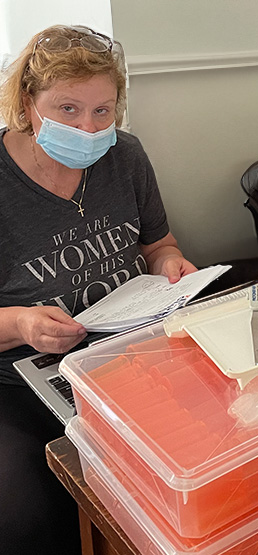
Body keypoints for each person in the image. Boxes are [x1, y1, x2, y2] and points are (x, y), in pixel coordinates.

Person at [0, 25, 196, 554]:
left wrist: (170, 264)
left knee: (189, 472)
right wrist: (21, 323)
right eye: (68, 109)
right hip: (23, 379)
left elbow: (159, 245)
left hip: (127, 352)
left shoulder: (125, 157)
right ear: (26, 101)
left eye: (103, 111)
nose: (88, 128)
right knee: (29, 520)